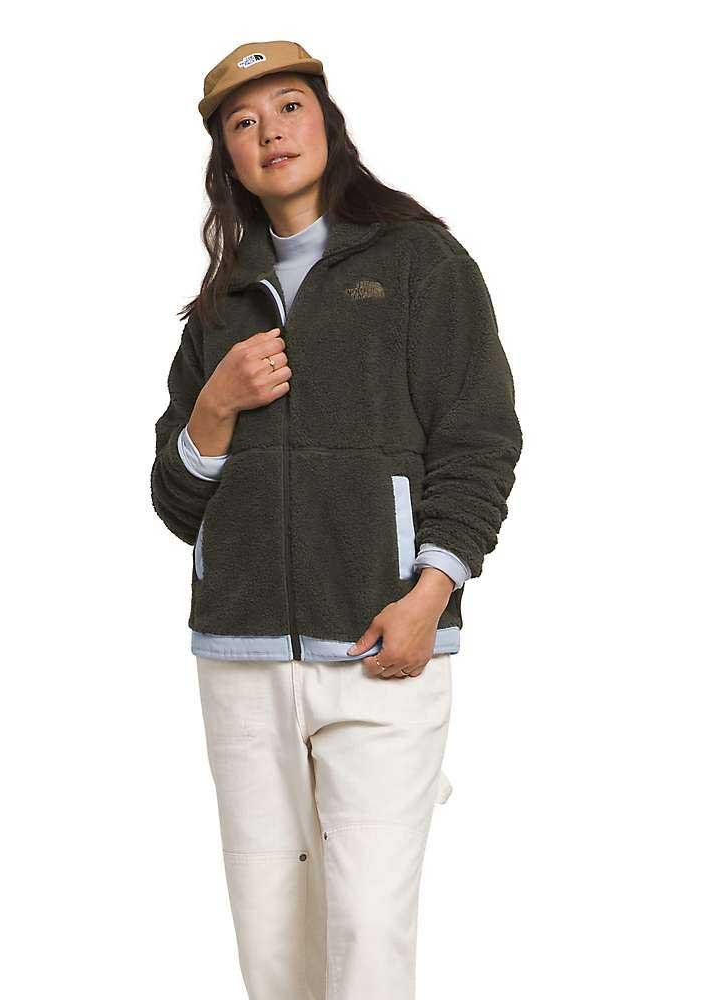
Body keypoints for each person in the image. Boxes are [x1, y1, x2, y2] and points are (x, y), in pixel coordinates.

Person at [150, 40, 523, 1000]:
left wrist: (430, 594)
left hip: (381, 643)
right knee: (273, 944)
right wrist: (215, 407)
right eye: (244, 122)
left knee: (366, 930)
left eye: (288, 106)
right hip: (240, 659)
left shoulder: (420, 263)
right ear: (228, 159)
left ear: (326, 121)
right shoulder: (218, 312)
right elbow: (175, 501)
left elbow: (480, 439)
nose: (269, 132)